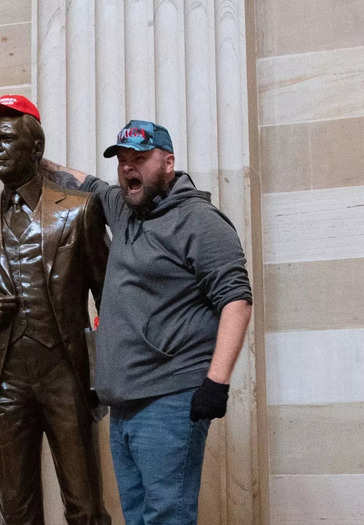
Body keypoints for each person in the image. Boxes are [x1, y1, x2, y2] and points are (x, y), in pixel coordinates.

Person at [42, 120, 253, 524]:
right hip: (124, 403)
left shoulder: (200, 221)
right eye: (123, 159)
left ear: (168, 163)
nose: (127, 168)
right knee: (138, 517)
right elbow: (87, 184)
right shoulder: (126, 210)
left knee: (166, 516)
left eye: (139, 159)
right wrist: (38, 161)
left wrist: (216, 383)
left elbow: (237, 301)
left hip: (170, 397)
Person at [0, 94, 111, 525]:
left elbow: (110, 298)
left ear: (35, 148)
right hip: (5, 382)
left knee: (85, 507)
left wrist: (109, 371)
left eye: (5, 139)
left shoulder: (78, 211)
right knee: (16, 510)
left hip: (67, 377)